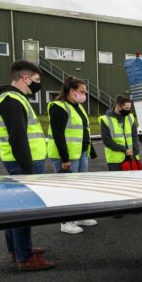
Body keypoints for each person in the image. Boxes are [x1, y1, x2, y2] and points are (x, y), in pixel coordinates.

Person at [0, 60, 54, 270]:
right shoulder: (11, 100)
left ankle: (17, 249)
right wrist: (28, 172)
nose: (37, 84)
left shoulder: (14, 98)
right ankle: (25, 258)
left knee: (16, 207)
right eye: (36, 80)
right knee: (24, 209)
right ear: (25, 78)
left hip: (22, 162)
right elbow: (18, 138)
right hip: (24, 164)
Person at [47, 76, 99, 234]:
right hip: (67, 156)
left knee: (80, 186)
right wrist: (65, 159)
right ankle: (65, 222)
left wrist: (91, 151)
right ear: (71, 91)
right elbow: (58, 135)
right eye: (82, 91)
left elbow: (83, 130)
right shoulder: (59, 107)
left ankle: (79, 216)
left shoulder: (77, 106)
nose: (85, 94)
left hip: (81, 153)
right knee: (67, 188)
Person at [99, 96, 140, 171]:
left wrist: (135, 151)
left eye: (129, 108)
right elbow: (107, 141)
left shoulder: (130, 117)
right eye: (126, 108)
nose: (128, 111)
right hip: (115, 160)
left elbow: (134, 136)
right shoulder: (105, 119)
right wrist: (124, 150)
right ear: (117, 106)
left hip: (131, 156)